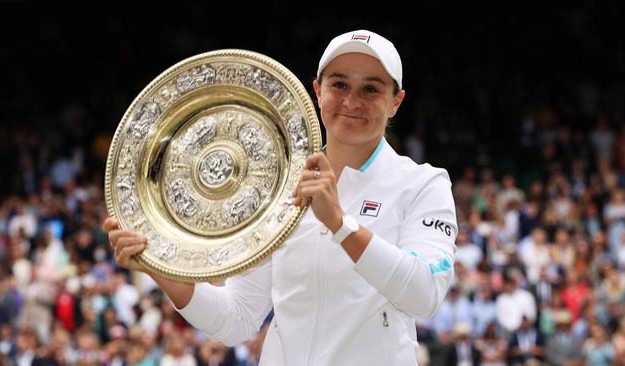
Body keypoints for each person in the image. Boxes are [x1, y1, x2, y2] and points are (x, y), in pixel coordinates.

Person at [104, 29, 458, 365]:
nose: (352, 101)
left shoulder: (422, 184)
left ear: (396, 102)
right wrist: (160, 268)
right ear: (317, 91)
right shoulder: (277, 186)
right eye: (339, 85)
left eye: (371, 90)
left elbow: (424, 293)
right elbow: (238, 318)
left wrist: (339, 224)